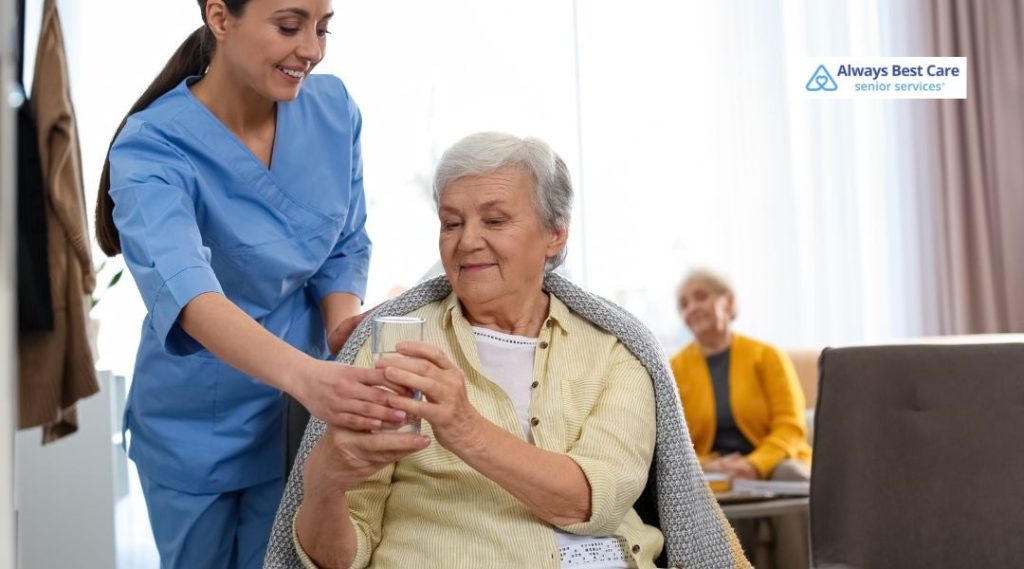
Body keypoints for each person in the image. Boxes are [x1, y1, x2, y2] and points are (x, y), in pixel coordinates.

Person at [265, 133, 751, 569]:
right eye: (451, 223)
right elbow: (342, 558)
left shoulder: (616, 351)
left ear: (555, 233)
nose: (467, 241)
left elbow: (593, 502)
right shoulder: (395, 347)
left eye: (494, 220)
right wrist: (324, 490)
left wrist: (463, 427)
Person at [95, 1, 402, 566]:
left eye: (322, 27)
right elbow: (188, 291)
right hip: (196, 427)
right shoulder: (152, 146)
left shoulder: (332, 111)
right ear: (219, 17)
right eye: (289, 27)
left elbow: (344, 244)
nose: (311, 48)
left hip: (293, 415)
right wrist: (310, 377)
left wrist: (342, 328)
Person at [669, 268, 811, 568]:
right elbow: (673, 442)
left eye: (700, 296)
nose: (692, 308)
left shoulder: (767, 356)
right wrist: (711, 465)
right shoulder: (675, 369)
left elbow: (790, 426)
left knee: (793, 475)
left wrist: (754, 465)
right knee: (702, 489)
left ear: (729, 302)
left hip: (772, 463)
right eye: (684, 304)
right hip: (714, 469)